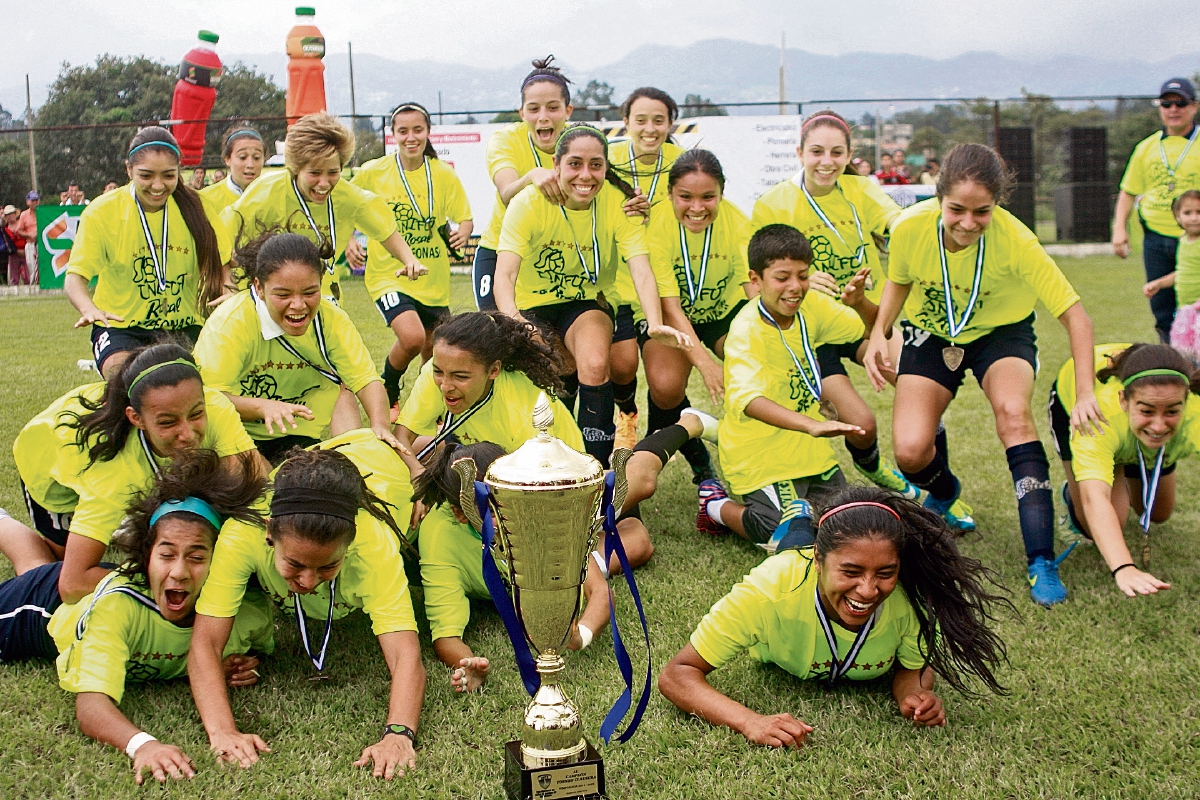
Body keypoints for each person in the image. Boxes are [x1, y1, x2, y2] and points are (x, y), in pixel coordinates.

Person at [862, 143, 1102, 607]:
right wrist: (879, 333)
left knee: (1014, 417)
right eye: (957, 209)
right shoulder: (908, 227)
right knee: (911, 452)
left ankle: (1041, 560)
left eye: (982, 212)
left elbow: (1077, 317)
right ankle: (947, 494)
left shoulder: (1017, 240)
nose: (968, 223)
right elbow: (900, 280)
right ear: (938, 198)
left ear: (997, 205)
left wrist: (1087, 391)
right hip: (933, 333)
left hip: (1001, 333)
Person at [659, 486, 1011, 747]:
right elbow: (677, 674)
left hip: (814, 559)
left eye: (885, 573)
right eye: (852, 571)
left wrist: (914, 695)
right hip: (793, 560)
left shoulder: (908, 601)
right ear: (819, 561)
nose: (868, 590)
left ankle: (802, 520)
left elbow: (913, 667)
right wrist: (751, 722)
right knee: (788, 540)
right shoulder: (766, 591)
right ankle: (788, 515)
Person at [0, 449, 272, 785]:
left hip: (82, 591)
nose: (179, 572)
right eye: (166, 554)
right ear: (146, 560)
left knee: (34, 563)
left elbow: (258, 647)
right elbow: (91, 706)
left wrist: (248, 663)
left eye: (198, 557)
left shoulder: (243, 612)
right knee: (36, 574)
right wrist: (143, 745)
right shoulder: (118, 609)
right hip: (41, 607)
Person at [412, 406, 717, 693]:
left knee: (643, 484)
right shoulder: (441, 538)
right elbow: (446, 635)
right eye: (492, 508)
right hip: (566, 541)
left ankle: (688, 424)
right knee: (637, 540)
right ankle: (601, 539)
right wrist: (468, 663)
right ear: (461, 513)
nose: (507, 514)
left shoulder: (532, 507)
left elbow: (600, 593)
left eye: (508, 500)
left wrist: (580, 634)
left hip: (573, 505)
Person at [188, 437, 426, 780]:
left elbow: (407, 657)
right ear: (269, 533)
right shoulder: (243, 534)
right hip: (323, 465)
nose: (309, 580)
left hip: (383, 461)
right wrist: (222, 731)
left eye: (328, 567)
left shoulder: (374, 543)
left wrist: (399, 735)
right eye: (294, 564)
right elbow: (205, 643)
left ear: (350, 542)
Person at [1, 343, 265, 606]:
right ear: (136, 418)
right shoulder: (114, 475)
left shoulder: (216, 407)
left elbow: (257, 485)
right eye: (168, 422)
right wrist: (168, 578)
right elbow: (72, 583)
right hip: (45, 461)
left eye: (196, 414)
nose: (187, 434)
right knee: (45, 575)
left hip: (123, 451)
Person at [493, 125, 690, 466]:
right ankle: (542, 464)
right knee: (554, 379)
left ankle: (596, 473)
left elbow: (641, 269)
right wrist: (517, 322)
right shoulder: (528, 202)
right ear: (556, 164)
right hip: (532, 305)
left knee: (597, 364)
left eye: (596, 165)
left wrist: (655, 322)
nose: (586, 175)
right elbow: (505, 274)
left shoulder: (619, 204)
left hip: (588, 303)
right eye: (575, 164)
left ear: (605, 167)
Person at [751, 111, 918, 499]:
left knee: (917, 384)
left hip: (866, 318)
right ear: (799, 153)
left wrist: (912, 230)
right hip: (813, 332)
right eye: (817, 151)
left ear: (849, 155)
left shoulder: (861, 190)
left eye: (836, 152)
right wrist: (805, 285)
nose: (826, 161)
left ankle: (934, 485)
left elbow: (895, 222)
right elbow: (761, 281)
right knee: (862, 425)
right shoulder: (774, 204)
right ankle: (873, 465)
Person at [694, 224, 876, 545]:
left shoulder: (812, 307)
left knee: (844, 529)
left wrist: (859, 301)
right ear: (755, 280)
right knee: (790, 538)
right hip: (760, 459)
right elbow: (750, 401)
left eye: (803, 276)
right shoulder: (745, 330)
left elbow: (864, 329)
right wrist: (810, 425)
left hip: (811, 454)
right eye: (782, 278)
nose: (795, 287)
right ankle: (716, 506)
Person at [194, 232, 401, 463]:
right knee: (259, 483)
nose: (298, 305)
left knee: (344, 387)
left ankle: (350, 458)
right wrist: (262, 407)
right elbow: (207, 398)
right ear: (259, 288)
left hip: (299, 435)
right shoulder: (230, 323)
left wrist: (380, 427)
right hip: (239, 433)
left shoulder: (331, 319)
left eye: (310, 292)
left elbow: (365, 380)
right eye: (283, 294)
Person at [64, 127, 232, 380]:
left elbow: (223, 263)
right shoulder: (102, 212)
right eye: (146, 175)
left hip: (185, 326)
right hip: (121, 327)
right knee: (125, 379)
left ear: (178, 172)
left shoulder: (198, 208)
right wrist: (89, 309)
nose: (157, 185)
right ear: (128, 170)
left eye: (168, 176)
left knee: (199, 386)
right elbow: (74, 278)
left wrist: (228, 291)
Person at [223, 112, 426, 304]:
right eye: (314, 173)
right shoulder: (265, 193)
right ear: (296, 168)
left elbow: (384, 231)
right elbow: (222, 238)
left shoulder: (349, 197)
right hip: (268, 297)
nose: (324, 183)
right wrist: (227, 285)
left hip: (323, 295)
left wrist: (410, 260)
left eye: (332, 172)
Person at [349, 102, 473, 412]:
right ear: (392, 135)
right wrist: (350, 238)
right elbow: (343, 204)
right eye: (402, 131)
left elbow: (464, 217)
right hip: (387, 275)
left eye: (417, 130)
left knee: (435, 354)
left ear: (428, 133)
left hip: (432, 278)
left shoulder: (443, 174)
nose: (411, 137)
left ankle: (425, 409)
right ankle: (389, 386)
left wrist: (465, 232)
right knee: (412, 337)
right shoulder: (372, 171)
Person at [1050, 343, 1196, 598]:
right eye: (1147, 410)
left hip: (1136, 435)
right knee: (1105, 523)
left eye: (1172, 411)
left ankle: (1134, 459)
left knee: (1159, 513)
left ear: (1186, 402)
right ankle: (1072, 492)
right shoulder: (1095, 419)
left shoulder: (1194, 416)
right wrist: (1124, 567)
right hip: (1078, 402)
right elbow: (1095, 499)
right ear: (1123, 400)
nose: (1159, 424)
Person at [639, 149, 746, 485]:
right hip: (671, 316)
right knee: (667, 388)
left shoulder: (739, 222)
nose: (697, 208)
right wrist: (706, 364)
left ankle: (653, 446)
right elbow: (670, 305)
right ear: (670, 193)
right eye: (685, 197)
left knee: (752, 367)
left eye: (708, 197)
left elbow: (753, 288)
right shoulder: (657, 223)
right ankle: (697, 456)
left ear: (721, 195)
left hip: (721, 314)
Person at [607, 87, 684, 448]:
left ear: (671, 124)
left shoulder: (683, 162)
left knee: (667, 385)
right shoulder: (605, 159)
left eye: (659, 120)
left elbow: (699, 215)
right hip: (618, 285)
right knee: (620, 368)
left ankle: (655, 441)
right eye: (640, 120)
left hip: (663, 285)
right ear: (625, 122)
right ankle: (626, 413)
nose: (649, 128)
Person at [473, 56, 574, 311]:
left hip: (554, 256)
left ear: (567, 110)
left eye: (553, 107)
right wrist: (532, 176)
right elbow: (507, 193)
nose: (543, 117)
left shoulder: (579, 141)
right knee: (495, 337)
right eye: (533, 108)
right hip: (500, 251)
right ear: (521, 113)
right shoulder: (505, 140)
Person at [1114, 78, 1200, 342]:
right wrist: (1119, 229)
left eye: (1180, 103)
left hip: (1195, 238)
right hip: (1155, 238)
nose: (1173, 109)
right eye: (1166, 103)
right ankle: (1172, 358)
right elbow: (1128, 191)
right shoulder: (1146, 147)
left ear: (1194, 107)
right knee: (1161, 306)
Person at [1143, 190, 1200, 322]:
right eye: (1187, 213)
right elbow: (1183, 273)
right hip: (1186, 309)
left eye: (1199, 212)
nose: (1193, 218)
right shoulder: (1183, 241)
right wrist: (1159, 284)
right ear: (1177, 216)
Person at [200, 125, 266, 214]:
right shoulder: (204, 199)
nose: (250, 165)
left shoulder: (275, 196)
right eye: (242, 157)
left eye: (256, 158)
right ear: (227, 159)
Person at [16, 190, 38, 285]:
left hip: (41, 243)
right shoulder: (24, 215)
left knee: (43, 266)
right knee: (31, 266)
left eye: (36, 200)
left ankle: (41, 284)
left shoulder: (41, 212)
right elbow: (19, 230)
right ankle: (33, 285)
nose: (35, 202)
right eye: (32, 200)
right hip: (30, 243)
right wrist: (29, 235)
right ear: (27, 202)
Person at [2, 204, 25, 285]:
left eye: (12, 213)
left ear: (15, 214)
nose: (10, 216)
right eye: (8, 214)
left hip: (25, 251)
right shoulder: (4, 229)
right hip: (13, 254)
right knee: (14, 276)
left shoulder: (21, 224)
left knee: (28, 274)